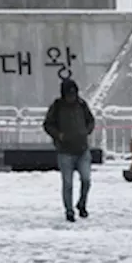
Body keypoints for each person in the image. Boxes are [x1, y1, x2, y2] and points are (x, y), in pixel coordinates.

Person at [43, 79, 95, 222]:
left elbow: (91, 120)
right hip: (65, 151)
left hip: (82, 150)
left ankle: (82, 204)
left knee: (86, 180)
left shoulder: (82, 105)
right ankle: (69, 210)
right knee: (68, 184)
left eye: (74, 94)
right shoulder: (57, 107)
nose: (72, 97)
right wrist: (59, 135)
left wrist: (86, 131)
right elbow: (48, 124)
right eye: (69, 94)